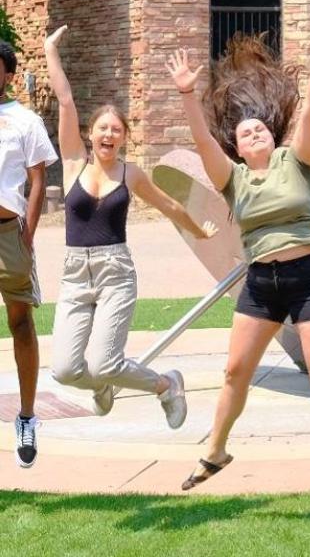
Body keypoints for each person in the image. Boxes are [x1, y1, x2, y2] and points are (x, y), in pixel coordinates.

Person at [167, 23, 310, 506]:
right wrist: (188, 95)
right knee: (235, 370)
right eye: (243, 132)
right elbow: (201, 141)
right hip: (263, 282)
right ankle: (215, 450)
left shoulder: (297, 162)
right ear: (237, 146)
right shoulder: (231, 179)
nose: (252, 131)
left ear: (271, 136)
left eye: (259, 128)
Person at [44, 25, 217, 428]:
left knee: (106, 362)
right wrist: (51, 51)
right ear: (90, 134)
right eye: (102, 128)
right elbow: (65, 101)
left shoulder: (131, 174)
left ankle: (165, 385)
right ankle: (102, 387)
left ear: (123, 137)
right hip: (75, 274)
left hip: (115, 273)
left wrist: (200, 230)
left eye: (116, 130)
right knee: (67, 370)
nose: (108, 134)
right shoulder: (74, 163)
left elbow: (169, 204)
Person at [0, 39, 58, 467]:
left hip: (9, 234)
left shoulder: (24, 120)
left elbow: (38, 180)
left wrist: (29, 234)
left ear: (7, 74)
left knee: (20, 323)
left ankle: (26, 416)